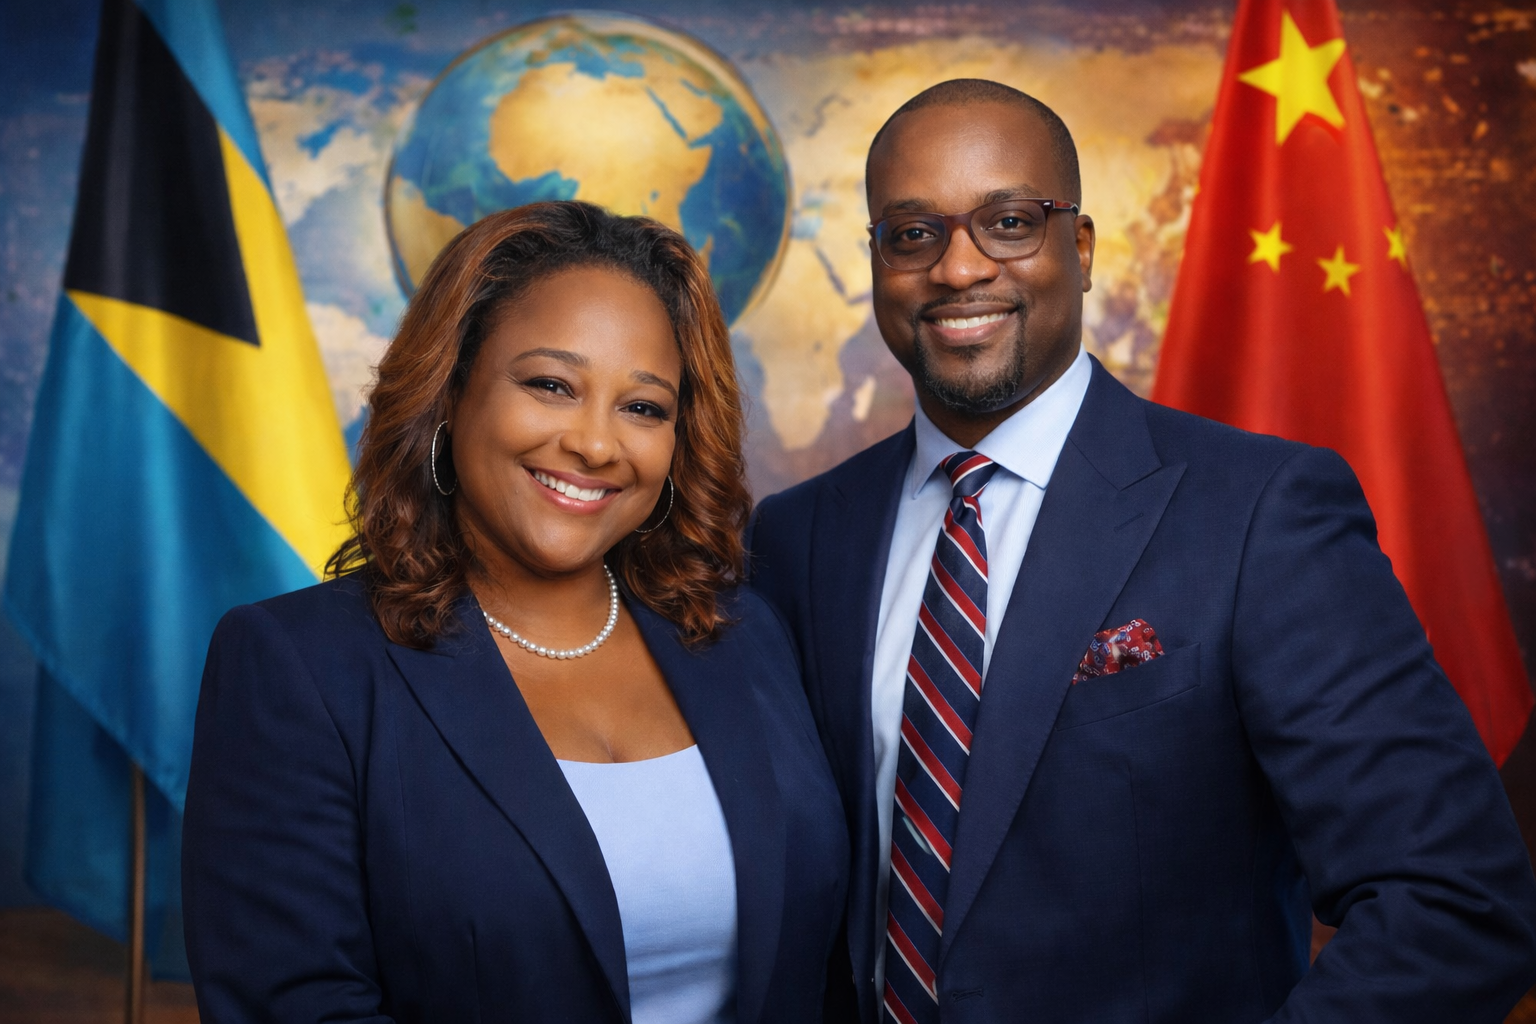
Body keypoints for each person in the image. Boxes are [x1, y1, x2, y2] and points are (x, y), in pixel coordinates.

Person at [748, 79, 1536, 1022]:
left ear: (1079, 251)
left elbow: (1454, 903)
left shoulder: (1260, 513)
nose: (959, 270)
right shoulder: (797, 538)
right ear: (878, 261)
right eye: (913, 234)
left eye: (1008, 221)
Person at [183, 201, 848, 1024]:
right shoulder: (297, 666)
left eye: (642, 407)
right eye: (550, 385)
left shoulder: (742, 636)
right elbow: (295, 1006)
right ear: (450, 391)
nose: (597, 445)